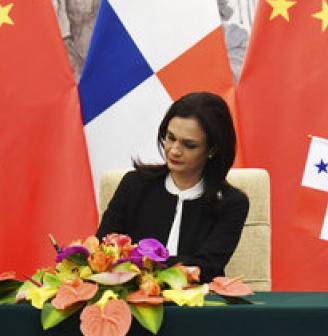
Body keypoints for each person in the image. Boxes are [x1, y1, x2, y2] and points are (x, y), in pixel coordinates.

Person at [97, 92, 249, 283]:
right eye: (170, 137)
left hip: (198, 305)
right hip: (132, 299)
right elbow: (104, 249)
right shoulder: (134, 185)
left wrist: (139, 261)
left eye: (189, 145)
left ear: (212, 150)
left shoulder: (231, 203)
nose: (174, 150)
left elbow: (208, 267)